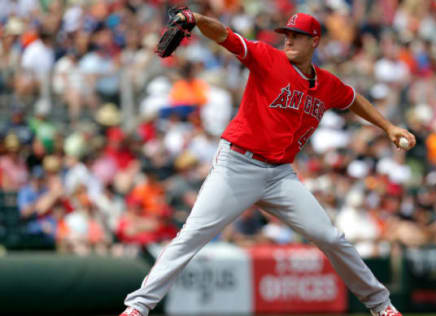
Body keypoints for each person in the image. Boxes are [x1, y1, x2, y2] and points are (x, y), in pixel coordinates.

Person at [120, 9, 416, 316]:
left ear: (314, 41)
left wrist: (388, 127)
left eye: (295, 36)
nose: (287, 40)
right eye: (286, 34)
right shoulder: (267, 57)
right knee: (192, 235)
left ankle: (382, 306)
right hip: (237, 164)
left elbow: (353, 99)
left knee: (330, 237)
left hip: (279, 176)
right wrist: (195, 18)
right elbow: (226, 35)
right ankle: (137, 309)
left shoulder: (327, 84)